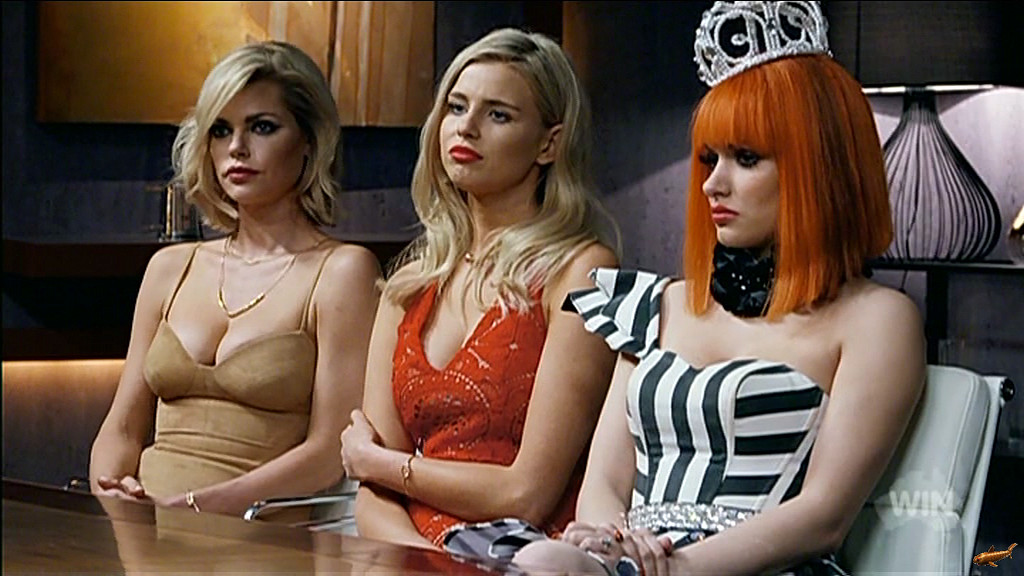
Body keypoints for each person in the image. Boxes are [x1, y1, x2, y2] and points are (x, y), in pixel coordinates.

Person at [512, 2, 926, 574]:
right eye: (709, 158)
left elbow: (824, 515)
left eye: (746, 158)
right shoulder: (656, 305)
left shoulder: (877, 319)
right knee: (538, 558)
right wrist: (613, 544)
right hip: (632, 564)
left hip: (760, 569)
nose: (713, 183)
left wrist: (674, 568)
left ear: (820, 168)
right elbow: (603, 483)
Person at [338, 27, 620, 561]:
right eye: (456, 107)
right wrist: (422, 562)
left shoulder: (581, 271)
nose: (466, 127)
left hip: (523, 555)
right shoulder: (408, 284)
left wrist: (383, 465)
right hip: (409, 555)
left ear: (549, 144)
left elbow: (526, 494)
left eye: (498, 115)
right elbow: (372, 497)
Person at [89, 40, 381, 518]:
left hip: (258, 532)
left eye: (262, 127)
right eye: (221, 130)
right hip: (145, 526)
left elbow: (330, 451)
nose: (236, 148)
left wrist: (192, 506)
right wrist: (113, 498)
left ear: (310, 141)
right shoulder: (170, 268)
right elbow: (121, 428)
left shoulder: (342, 271)